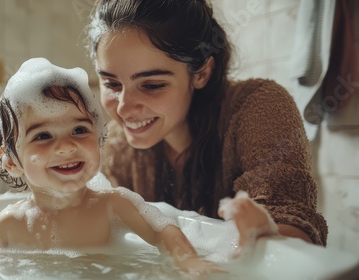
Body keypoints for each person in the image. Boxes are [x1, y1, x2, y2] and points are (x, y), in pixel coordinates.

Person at [86, 0, 328, 246]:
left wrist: (267, 234)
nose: (124, 107)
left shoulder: (257, 106)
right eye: (111, 84)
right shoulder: (117, 146)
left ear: (201, 72)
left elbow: (292, 222)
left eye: (152, 85)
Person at [0, 57, 221, 274]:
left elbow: (162, 231)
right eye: (43, 136)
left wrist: (189, 262)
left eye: (79, 130)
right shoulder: (9, 225)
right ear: (11, 160)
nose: (66, 146)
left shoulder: (113, 206)